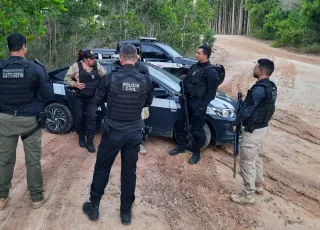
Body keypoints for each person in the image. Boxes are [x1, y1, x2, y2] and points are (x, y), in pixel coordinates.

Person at [82, 44, 154, 224]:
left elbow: (97, 100)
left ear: (120, 59)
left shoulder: (110, 78)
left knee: (102, 168)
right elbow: (147, 102)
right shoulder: (145, 80)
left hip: (113, 131)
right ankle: (125, 213)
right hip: (133, 133)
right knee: (129, 173)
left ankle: (94, 207)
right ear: (136, 59)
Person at [0, 33, 54, 210]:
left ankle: (1, 198)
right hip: (30, 121)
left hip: (5, 120)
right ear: (24, 47)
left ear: (9, 47)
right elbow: (48, 95)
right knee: (32, 161)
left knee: (4, 160)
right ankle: (36, 198)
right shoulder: (35, 68)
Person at [231, 58, 277, 205]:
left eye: (256, 67)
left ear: (261, 71)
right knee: (256, 158)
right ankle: (258, 186)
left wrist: (236, 122)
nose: (254, 69)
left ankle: (248, 195)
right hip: (262, 128)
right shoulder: (271, 87)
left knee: (247, 162)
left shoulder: (258, 89)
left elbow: (247, 109)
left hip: (253, 130)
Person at [168, 45, 219, 164]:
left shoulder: (211, 72)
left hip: (198, 104)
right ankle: (181, 146)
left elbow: (211, 93)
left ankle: (196, 152)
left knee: (197, 129)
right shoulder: (194, 66)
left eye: (198, 53)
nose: (196, 54)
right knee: (181, 125)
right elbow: (185, 83)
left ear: (205, 55)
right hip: (187, 102)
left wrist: (202, 106)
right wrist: (181, 96)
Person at [64, 49, 107, 153]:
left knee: (91, 119)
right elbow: (66, 78)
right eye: (91, 59)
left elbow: (106, 77)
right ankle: (81, 137)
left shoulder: (97, 66)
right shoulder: (76, 66)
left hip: (92, 98)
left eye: (94, 58)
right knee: (79, 118)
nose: (94, 60)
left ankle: (90, 142)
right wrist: (75, 84)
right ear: (85, 59)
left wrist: (101, 88)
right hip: (79, 97)